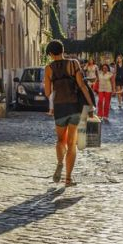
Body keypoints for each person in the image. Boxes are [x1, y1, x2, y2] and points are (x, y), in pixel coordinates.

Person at [44, 40, 95, 187]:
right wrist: (90, 106)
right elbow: (82, 86)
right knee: (71, 143)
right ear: (63, 50)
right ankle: (68, 179)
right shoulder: (74, 64)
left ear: (51, 54)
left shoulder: (49, 68)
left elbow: (48, 92)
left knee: (60, 141)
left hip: (60, 108)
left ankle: (60, 162)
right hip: (74, 107)